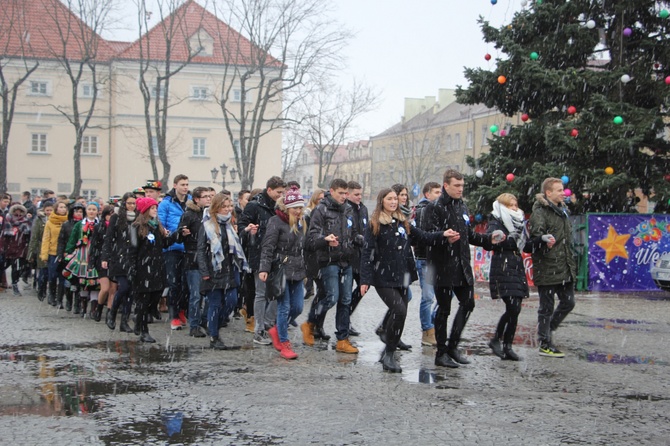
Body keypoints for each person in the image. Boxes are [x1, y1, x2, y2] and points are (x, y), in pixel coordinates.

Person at [360, 188, 452, 373]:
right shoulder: (375, 223)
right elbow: (367, 253)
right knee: (398, 309)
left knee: (401, 315)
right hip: (383, 277)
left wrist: (443, 235)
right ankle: (388, 354)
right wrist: (365, 279)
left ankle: (389, 352)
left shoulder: (402, 222)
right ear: (382, 201)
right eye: (390, 199)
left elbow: (423, 237)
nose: (394, 202)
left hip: (402, 275)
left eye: (395, 199)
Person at [423, 169, 504, 368]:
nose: (460, 189)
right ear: (446, 186)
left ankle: (453, 345)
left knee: (468, 304)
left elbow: (469, 235)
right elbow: (426, 237)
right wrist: (443, 236)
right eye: (456, 186)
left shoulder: (462, 206)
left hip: (461, 266)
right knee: (444, 309)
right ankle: (441, 352)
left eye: (462, 186)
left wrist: (488, 240)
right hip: (442, 266)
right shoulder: (434, 208)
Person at [301, 178, 364, 354]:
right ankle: (310, 323)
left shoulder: (349, 210)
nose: (344, 197)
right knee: (331, 297)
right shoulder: (321, 209)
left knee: (346, 300)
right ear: (332, 191)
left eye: (346, 193)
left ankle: (342, 339)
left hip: (347, 260)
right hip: (328, 260)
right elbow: (311, 239)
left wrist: (358, 240)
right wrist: (325, 240)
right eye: (341, 193)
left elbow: (354, 232)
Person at [525, 177, 577, 358]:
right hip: (547, 265)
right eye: (559, 190)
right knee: (546, 307)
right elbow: (535, 237)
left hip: (564, 265)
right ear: (548, 193)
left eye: (563, 189)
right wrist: (544, 241)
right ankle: (545, 342)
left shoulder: (563, 210)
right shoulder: (540, 212)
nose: (564, 193)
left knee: (569, 302)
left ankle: (547, 330)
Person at [237, 176, 285, 345]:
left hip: (278, 255)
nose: (281, 195)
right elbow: (241, 227)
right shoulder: (254, 205)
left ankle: (269, 324)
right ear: (269, 190)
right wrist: (249, 230)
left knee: (277, 292)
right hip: (259, 253)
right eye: (278, 192)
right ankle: (259, 329)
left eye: (282, 192)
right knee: (261, 292)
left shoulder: (281, 206)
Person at [197, 193, 249, 349]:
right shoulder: (207, 225)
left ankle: (214, 327)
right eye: (224, 207)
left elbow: (234, 248)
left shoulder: (229, 225)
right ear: (216, 208)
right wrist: (205, 272)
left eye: (229, 206)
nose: (228, 209)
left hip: (229, 269)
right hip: (213, 270)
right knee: (214, 304)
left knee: (231, 302)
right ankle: (214, 336)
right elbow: (200, 250)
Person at [259, 187, 306, 360]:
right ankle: (284, 342)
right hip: (281, 269)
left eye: (301, 207)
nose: (299, 211)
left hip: (298, 270)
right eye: (295, 207)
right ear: (287, 207)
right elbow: (268, 246)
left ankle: (277, 330)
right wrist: (264, 268)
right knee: (284, 307)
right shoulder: (275, 221)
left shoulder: (302, 222)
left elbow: (305, 246)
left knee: (298, 307)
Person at [486, 193, 529, 361]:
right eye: (511, 205)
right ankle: (497, 339)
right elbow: (492, 237)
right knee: (512, 306)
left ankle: (507, 345)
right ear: (503, 206)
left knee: (516, 308)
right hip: (502, 266)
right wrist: (499, 237)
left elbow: (527, 244)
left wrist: (541, 240)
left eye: (516, 204)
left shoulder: (519, 223)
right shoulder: (496, 220)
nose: (515, 208)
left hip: (516, 266)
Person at [130, 197, 179, 343]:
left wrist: (177, 234)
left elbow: (164, 244)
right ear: (145, 211)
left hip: (157, 267)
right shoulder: (136, 227)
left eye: (156, 208)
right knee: (144, 301)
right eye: (152, 208)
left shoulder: (157, 226)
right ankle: (143, 329)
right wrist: (132, 268)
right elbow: (133, 250)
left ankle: (140, 320)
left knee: (156, 296)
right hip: (143, 268)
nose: (155, 211)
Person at [157, 174, 192, 330]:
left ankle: (182, 309)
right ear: (175, 185)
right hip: (172, 248)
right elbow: (161, 225)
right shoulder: (166, 203)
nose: (185, 187)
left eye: (187, 184)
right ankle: (174, 315)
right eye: (182, 184)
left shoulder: (191, 202)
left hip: (188, 247)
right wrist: (171, 234)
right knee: (174, 283)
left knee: (187, 283)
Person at [102, 192, 137, 333]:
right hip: (120, 258)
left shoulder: (138, 218)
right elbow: (109, 238)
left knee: (131, 292)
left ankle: (124, 321)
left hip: (133, 258)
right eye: (129, 203)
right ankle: (112, 312)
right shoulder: (116, 218)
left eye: (134, 203)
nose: (131, 206)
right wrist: (105, 257)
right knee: (123, 287)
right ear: (124, 204)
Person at [179, 187, 211, 338]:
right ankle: (194, 325)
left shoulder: (209, 214)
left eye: (209, 196)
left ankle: (205, 321)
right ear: (197, 199)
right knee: (196, 295)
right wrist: (183, 233)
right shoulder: (189, 215)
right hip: (193, 257)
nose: (208, 199)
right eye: (205, 196)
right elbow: (180, 235)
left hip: (207, 257)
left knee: (209, 294)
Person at [414, 181, 441, 346]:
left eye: (440, 192)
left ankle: (432, 323)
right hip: (425, 258)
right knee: (428, 297)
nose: (439, 195)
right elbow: (425, 233)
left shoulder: (439, 209)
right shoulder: (423, 210)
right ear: (427, 194)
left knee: (447, 294)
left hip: (437, 258)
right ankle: (427, 330)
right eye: (436, 192)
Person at [62, 202, 100, 318]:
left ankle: (93, 308)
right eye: (89, 209)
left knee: (95, 282)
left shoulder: (100, 224)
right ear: (86, 211)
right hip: (82, 255)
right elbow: (73, 239)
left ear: (97, 211)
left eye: (94, 209)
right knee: (83, 282)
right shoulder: (79, 225)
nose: (92, 211)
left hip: (96, 255)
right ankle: (83, 306)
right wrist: (68, 251)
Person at [346, 181, 368, 337]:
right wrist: (358, 239)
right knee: (344, 293)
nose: (359, 197)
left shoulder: (364, 209)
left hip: (362, 256)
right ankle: (316, 322)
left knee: (363, 288)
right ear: (348, 194)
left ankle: (346, 316)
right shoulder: (346, 209)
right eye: (356, 194)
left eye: (361, 194)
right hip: (348, 256)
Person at [88, 205, 116, 322]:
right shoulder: (99, 227)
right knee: (105, 288)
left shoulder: (117, 227)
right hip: (102, 259)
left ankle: (110, 312)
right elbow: (94, 245)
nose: (111, 217)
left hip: (114, 260)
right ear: (105, 215)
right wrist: (91, 263)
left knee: (113, 289)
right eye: (109, 214)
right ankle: (99, 308)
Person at [57, 202, 85, 312]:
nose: (79, 214)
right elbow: (61, 241)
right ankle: (68, 301)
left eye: (81, 212)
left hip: (80, 255)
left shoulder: (85, 224)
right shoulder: (66, 224)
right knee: (68, 280)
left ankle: (77, 304)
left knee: (79, 281)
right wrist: (61, 254)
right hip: (68, 255)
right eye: (77, 211)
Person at [40, 201, 68, 306]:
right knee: (52, 276)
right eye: (61, 207)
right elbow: (46, 239)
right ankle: (51, 295)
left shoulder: (68, 221)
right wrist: (44, 254)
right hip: (53, 252)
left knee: (63, 276)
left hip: (65, 253)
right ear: (56, 209)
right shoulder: (50, 222)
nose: (63, 209)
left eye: (64, 207)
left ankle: (60, 299)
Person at [1, 204, 31, 295]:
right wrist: (3, 248)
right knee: (3, 267)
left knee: (17, 269)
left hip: (20, 249)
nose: (18, 214)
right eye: (16, 212)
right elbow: (3, 237)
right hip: (8, 249)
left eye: (20, 212)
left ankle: (15, 284)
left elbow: (28, 237)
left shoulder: (26, 223)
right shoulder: (7, 222)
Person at [28, 200, 54, 301]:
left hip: (53, 248)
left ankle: (51, 293)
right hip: (41, 248)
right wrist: (31, 252)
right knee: (43, 271)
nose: (49, 212)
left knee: (51, 272)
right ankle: (41, 289)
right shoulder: (39, 220)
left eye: (51, 210)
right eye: (47, 210)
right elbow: (34, 236)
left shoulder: (57, 220)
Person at [302, 189, 324, 302]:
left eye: (323, 198)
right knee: (310, 271)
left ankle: (317, 291)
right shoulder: (308, 212)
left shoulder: (324, 211)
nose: (322, 201)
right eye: (319, 198)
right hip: (310, 246)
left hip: (320, 246)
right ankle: (310, 289)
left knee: (318, 273)